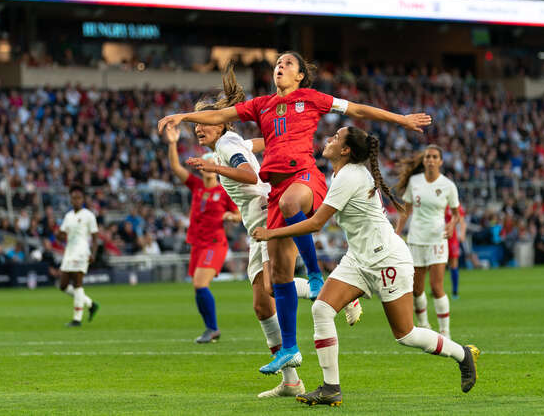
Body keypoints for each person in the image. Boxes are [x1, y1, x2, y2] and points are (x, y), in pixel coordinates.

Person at [158, 51, 431, 374]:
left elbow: (356, 109)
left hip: (304, 179)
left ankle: (316, 277)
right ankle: (289, 348)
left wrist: (402, 120)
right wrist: (182, 117)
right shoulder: (262, 105)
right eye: (277, 63)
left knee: (289, 205)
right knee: (279, 279)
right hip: (276, 191)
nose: (280, 67)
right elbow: (223, 115)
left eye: (288, 63)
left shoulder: (312, 98)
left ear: (300, 75)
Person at [253, 126, 479, 406]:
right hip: (359, 259)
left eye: (336, 138)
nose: (329, 139)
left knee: (405, 335)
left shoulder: (349, 176)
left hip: (387, 259)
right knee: (321, 309)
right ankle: (330, 388)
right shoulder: (340, 174)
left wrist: (270, 233)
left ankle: (462, 354)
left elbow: (316, 223)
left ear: (346, 150)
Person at [165, 121, 240, 343]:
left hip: (215, 242)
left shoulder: (224, 191)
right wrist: (172, 144)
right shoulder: (197, 186)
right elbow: (176, 168)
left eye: (208, 163)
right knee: (197, 287)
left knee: (200, 284)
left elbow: (239, 215)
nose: (205, 166)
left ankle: (213, 328)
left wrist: (231, 217)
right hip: (197, 243)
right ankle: (210, 329)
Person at [394, 145, 461, 339]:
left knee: (437, 287)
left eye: (434, 157)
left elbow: (456, 214)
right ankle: (423, 325)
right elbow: (406, 209)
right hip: (416, 239)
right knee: (416, 289)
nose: (430, 160)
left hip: (437, 239)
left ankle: (445, 331)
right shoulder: (414, 181)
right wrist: (397, 233)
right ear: (423, 161)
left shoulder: (448, 185)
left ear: (440, 161)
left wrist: (451, 225)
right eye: (428, 157)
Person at [57, 185, 100, 327]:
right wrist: (59, 235)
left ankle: (77, 319)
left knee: (77, 283)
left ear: (83, 199)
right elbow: (62, 234)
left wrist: (93, 254)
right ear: (70, 199)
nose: (76, 200)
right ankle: (90, 303)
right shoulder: (68, 216)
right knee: (62, 285)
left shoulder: (89, 215)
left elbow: (95, 237)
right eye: (74, 198)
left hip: (81, 252)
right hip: (69, 252)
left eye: (79, 198)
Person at [445, 205, 466, 298]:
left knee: (453, 263)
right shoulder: (437, 200)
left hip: (452, 238)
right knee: (437, 264)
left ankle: (455, 291)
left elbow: (462, 221)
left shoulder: (454, 204)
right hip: (438, 238)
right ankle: (436, 289)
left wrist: (462, 234)